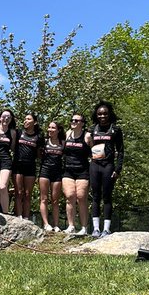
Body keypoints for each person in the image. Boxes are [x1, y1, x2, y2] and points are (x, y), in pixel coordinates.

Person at [88, 100, 124, 237]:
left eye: (105, 114)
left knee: (107, 197)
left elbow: (121, 151)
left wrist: (118, 169)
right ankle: (96, 228)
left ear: (109, 114)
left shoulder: (115, 129)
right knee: (95, 197)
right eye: (99, 114)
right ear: (96, 115)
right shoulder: (92, 130)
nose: (102, 116)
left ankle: (106, 229)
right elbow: (86, 147)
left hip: (108, 166)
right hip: (95, 165)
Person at [62, 114, 91, 236]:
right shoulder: (67, 133)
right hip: (68, 170)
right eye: (72, 120)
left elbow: (94, 151)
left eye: (76, 120)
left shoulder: (87, 136)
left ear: (82, 123)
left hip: (83, 170)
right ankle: (71, 226)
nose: (73, 122)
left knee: (81, 197)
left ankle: (84, 227)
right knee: (70, 196)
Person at [13, 113, 43, 220]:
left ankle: (26, 217)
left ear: (34, 122)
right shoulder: (18, 132)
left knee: (27, 194)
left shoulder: (39, 136)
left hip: (30, 166)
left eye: (28, 119)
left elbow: (39, 154)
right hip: (17, 165)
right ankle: (18, 216)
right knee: (18, 192)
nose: (25, 121)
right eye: (25, 119)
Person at [38, 120, 65, 231]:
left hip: (57, 172)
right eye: (49, 127)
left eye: (53, 128)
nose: (50, 130)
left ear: (58, 130)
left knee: (55, 200)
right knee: (44, 198)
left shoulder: (62, 143)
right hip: (45, 171)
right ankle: (46, 224)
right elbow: (39, 156)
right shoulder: (44, 141)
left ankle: (56, 225)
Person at [0, 109, 17, 214]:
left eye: (9, 117)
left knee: (2, 186)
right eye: (4, 116)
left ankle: (6, 213)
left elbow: (13, 148)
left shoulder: (12, 132)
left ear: (11, 120)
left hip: (6, 161)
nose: (6, 118)